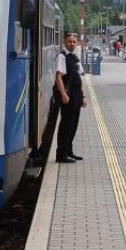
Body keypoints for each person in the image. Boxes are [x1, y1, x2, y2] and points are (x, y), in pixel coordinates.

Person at [53, 33, 86, 164]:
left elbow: (79, 78)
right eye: (69, 41)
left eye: (74, 42)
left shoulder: (74, 57)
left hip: (76, 94)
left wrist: (82, 96)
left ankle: (69, 151)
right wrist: (64, 95)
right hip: (68, 94)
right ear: (64, 42)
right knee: (66, 124)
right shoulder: (62, 56)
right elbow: (59, 77)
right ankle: (61, 154)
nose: (72, 44)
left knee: (73, 124)